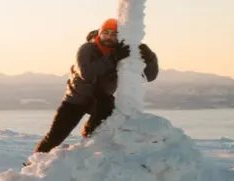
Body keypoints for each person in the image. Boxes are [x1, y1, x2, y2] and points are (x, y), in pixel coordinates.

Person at [32, 18, 158, 155]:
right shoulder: (87, 49)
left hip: (102, 100)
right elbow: (86, 74)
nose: (109, 37)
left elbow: (149, 76)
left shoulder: (121, 53)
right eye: (106, 33)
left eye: (114, 34)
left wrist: (150, 57)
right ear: (100, 33)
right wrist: (112, 58)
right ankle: (34, 164)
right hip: (76, 100)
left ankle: (92, 146)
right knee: (55, 137)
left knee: (112, 122)